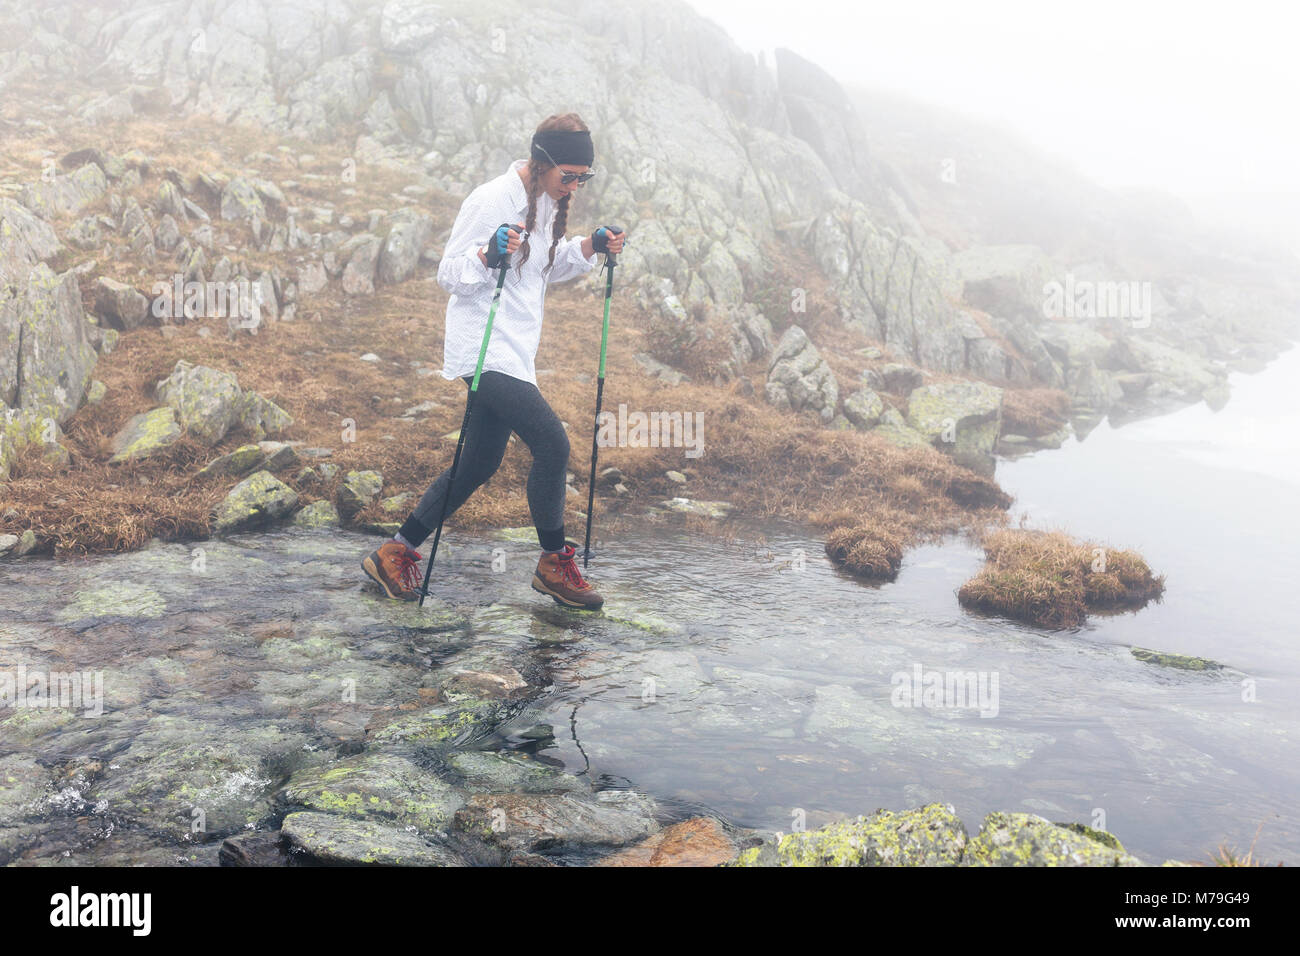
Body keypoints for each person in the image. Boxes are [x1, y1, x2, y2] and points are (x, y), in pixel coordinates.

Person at [362, 112, 625, 609]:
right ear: (541, 161)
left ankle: (394, 551)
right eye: (567, 176)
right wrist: (487, 255)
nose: (573, 186)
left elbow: (545, 268)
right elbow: (448, 273)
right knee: (552, 443)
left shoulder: (546, 204)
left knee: (479, 463)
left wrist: (590, 245)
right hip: (482, 348)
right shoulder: (489, 200)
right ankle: (552, 564)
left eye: (582, 178)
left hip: (514, 353)